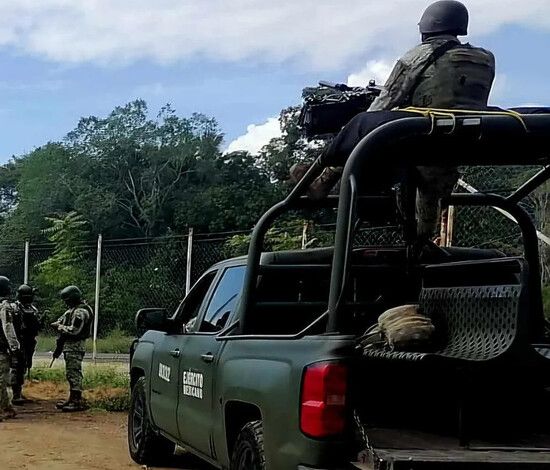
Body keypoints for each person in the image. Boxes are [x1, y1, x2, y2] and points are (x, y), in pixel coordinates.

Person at [292, 0, 496, 241]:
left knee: (361, 129)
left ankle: (323, 181)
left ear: (428, 26)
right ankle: (422, 242)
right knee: (432, 190)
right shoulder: (486, 59)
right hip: (464, 139)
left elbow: (383, 104)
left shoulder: (419, 55)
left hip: (422, 134)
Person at [51, 285, 93, 412]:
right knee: (71, 373)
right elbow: (62, 319)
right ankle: (73, 398)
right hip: (69, 346)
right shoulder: (73, 310)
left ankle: (77, 400)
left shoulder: (80, 312)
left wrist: (59, 327)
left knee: (74, 373)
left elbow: (74, 330)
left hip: (75, 346)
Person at [10, 284, 44, 405]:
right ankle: (15, 394)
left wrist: (41, 322)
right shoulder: (14, 308)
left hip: (29, 341)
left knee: (24, 365)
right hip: (18, 340)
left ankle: (19, 392)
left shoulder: (33, 309)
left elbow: (37, 326)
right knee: (16, 366)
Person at [0, 276, 20, 420]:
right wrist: (14, 347)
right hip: (2, 348)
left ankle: (6, 407)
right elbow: (8, 327)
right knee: (1, 380)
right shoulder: (4, 306)